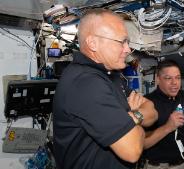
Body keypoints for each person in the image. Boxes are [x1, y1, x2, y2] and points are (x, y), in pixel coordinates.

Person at [53, 9, 158, 169]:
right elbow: (133, 150)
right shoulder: (85, 83)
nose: (128, 49)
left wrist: (134, 115)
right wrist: (136, 119)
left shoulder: (110, 76)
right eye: (121, 42)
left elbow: (152, 111)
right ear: (93, 43)